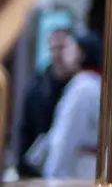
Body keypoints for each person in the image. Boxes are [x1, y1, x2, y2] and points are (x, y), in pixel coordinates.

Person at [37, 30, 101, 181]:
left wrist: (52, 174)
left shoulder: (82, 87)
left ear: (81, 54)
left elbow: (65, 137)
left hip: (75, 171)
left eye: (70, 48)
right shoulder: (94, 83)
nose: (65, 53)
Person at [17, 26, 77, 178]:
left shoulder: (79, 84)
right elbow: (25, 127)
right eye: (54, 48)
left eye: (62, 48)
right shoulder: (38, 85)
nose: (58, 54)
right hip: (41, 163)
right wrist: (23, 165)